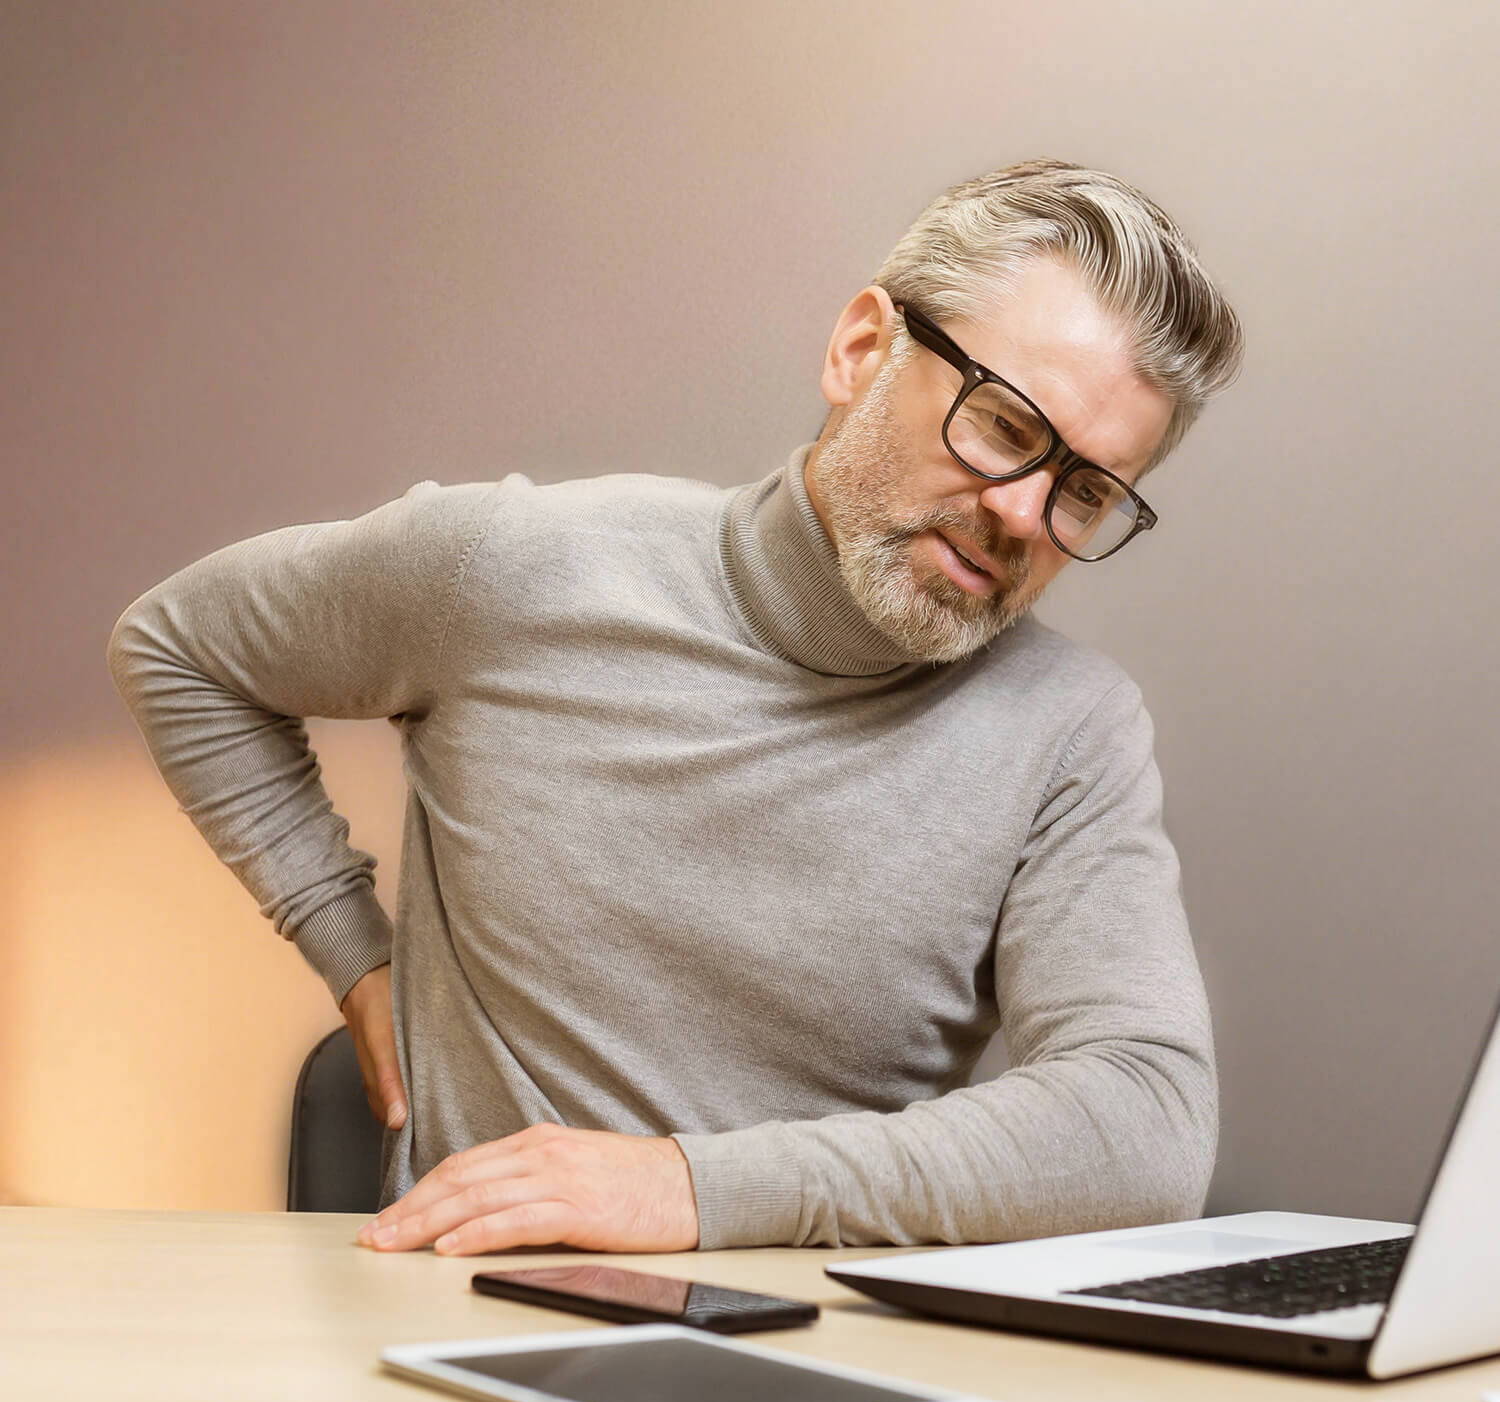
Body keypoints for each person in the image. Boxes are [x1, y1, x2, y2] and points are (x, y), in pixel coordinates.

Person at [107, 158, 1244, 1258]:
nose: (1022, 514)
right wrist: (352, 949)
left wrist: (689, 1188)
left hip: (832, 1381)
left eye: (1086, 491)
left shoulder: (1071, 731)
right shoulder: (516, 569)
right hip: (474, 1336)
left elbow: (1147, 1126)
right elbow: (178, 647)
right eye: (1003, 424)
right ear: (863, 350)